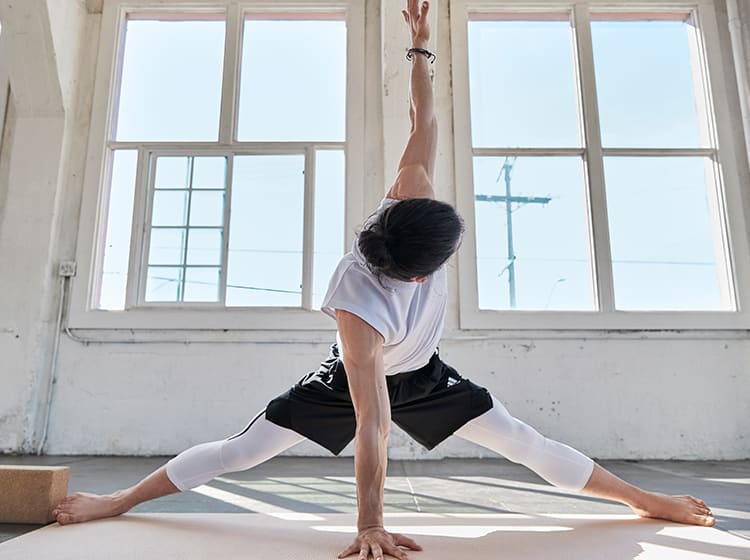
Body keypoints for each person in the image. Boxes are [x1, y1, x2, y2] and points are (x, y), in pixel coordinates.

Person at [53, 1, 715, 558]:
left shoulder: (409, 198)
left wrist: (419, 50)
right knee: (243, 452)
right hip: (357, 380)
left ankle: (642, 499)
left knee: (523, 442)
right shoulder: (358, 308)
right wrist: (369, 523)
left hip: (424, 371)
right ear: (418, 272)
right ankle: (121, 498)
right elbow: (372, 423)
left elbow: (421, 123)